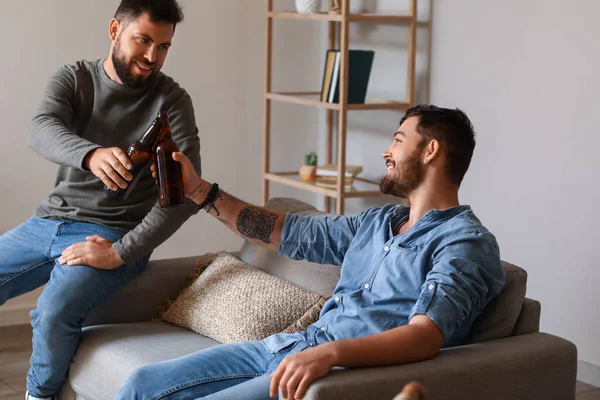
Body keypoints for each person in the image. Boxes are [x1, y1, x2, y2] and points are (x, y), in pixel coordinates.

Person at [118, 105, 506, 400]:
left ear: (431, 150)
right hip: (286, 348)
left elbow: (425, 337)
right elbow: (287, 231)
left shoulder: (464, 243)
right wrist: (199, 190)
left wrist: (329, 354)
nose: (387, 152)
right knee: (141, 384)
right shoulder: (376, 222)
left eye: (398, 140)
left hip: (330, 369)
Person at [0, 1, 201, 399]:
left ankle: (40, 395)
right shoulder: (74, 78)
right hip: (49, 220)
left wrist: (121, 253)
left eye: (163, 47)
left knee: (54, 311)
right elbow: (40, 129)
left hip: (112, 233)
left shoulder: (172, 101)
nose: (151, 57)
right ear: (114, 31)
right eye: (143, 40)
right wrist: (90, 154)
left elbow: (185, 195)